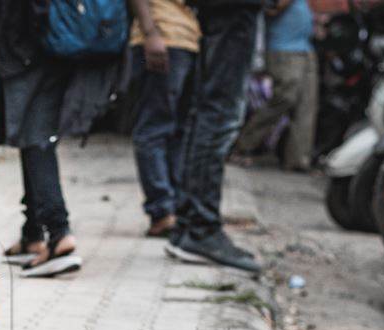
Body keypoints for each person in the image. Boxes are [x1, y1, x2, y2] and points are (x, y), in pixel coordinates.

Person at [0, 0, 120, 277]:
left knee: (35, 138)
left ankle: (58, 234)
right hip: (50, 39)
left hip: (24, 43)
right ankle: (33, 233)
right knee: (31, 136)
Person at [163, 0, 263, 272]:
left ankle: (187, 225)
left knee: (207, 111)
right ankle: (200, 230)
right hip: (231, 8)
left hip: (219, 8)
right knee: (219, 113)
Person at [128, 0, 200, 238]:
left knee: (178, 130)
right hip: (162, 37)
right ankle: (161, 210)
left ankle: (174, 209)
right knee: (154, 128)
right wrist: (151, 33)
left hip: (188, 40)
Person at [235, 0, 318, 171]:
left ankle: (298, 161)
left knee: (306, 106)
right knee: (285, 97)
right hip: (283, 47)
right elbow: (271, 8)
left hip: (306, 47)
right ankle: (244, 144)